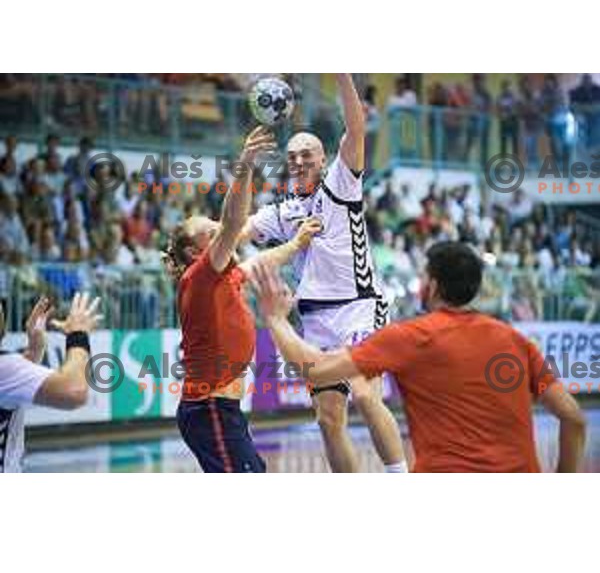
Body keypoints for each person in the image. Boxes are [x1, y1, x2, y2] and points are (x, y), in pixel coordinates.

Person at [251, 242, 587, 473]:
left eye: (424, 277)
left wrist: (277, 319)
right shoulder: (516, 341)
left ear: (434, 285)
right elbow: (573, 418)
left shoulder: (412, 337)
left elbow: (317, 370)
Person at [239, 74, 406, 473]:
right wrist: (206, 245)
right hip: (315, 319)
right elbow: (240, 229)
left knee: (366, 396)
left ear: (324, 160)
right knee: (328, 420)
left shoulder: (341, 184)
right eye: (292, 156)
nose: (298, 161)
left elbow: (356, 125)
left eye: (307, 155)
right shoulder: (282, 213)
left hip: (359, 307)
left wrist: (341, 74)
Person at [163, 126, 321, 473]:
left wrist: (297, 244)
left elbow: (258, 263)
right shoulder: (200, 275)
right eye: (211, 232)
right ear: (195, 251)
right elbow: (235, 221)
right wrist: (246, 162)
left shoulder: (221, 276)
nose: (220, 231)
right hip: (209, 408)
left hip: (220, 409)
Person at [0, 293, 103, 472]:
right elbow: (74, 391)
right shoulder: (5, 368)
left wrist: (34, 348)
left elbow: (9, 388)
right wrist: (78, 334)